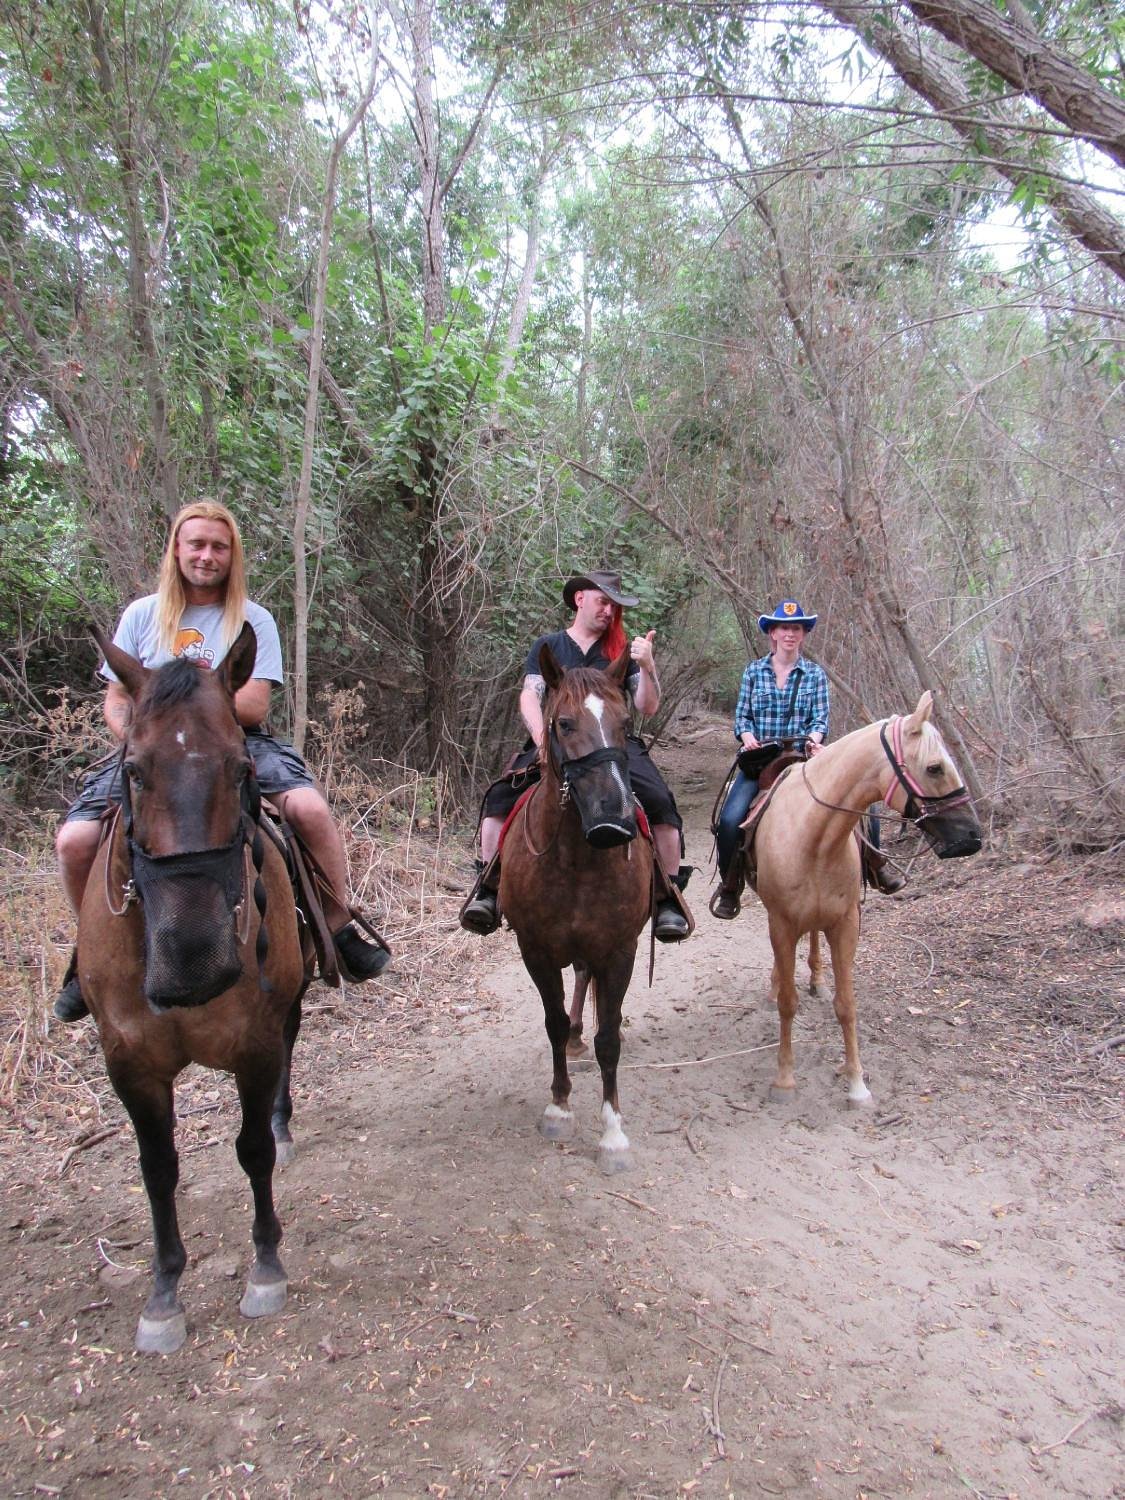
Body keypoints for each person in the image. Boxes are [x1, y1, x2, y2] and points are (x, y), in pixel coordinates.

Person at [54, 501, 391, 1021]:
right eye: (197, 544)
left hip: (237, 742)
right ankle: (87, 957)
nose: (207, 555)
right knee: (74, 841)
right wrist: (145, 740)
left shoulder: (251, 619)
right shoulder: (142, 615)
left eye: (219, 546)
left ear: (231, 556)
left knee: (309, 810)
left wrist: (194, 719)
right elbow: (116, 700)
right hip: (152, 753)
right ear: (177, 550)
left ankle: (338, 923)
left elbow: (255, 703)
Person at [460, 568, 690, 941]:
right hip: (557, 740)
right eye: (603, 602)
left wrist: (648, 666)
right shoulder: (549, 646)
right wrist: (538, 736)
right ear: (580, 599)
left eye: (614, 607)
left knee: (660, 803)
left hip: (613, 744)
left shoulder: (621, 652)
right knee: (499, 799)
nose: (609, 612)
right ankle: (488, 888)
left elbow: (647, 705)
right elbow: (530, 694)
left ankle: (668, 898)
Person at [711, 599, 904, 919]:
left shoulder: (814, 674)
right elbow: (742, 717)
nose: (789, 633)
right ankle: (731, 886)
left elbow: (819, 720)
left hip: (803, 756)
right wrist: (746, 736)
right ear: (772, 632)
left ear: (803, 634)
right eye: (784, 627)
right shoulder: (753, 672)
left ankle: (875, 864)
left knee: (861, 799)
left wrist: (815, 740)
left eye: (796, 628)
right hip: (760, 760)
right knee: (730, 820)